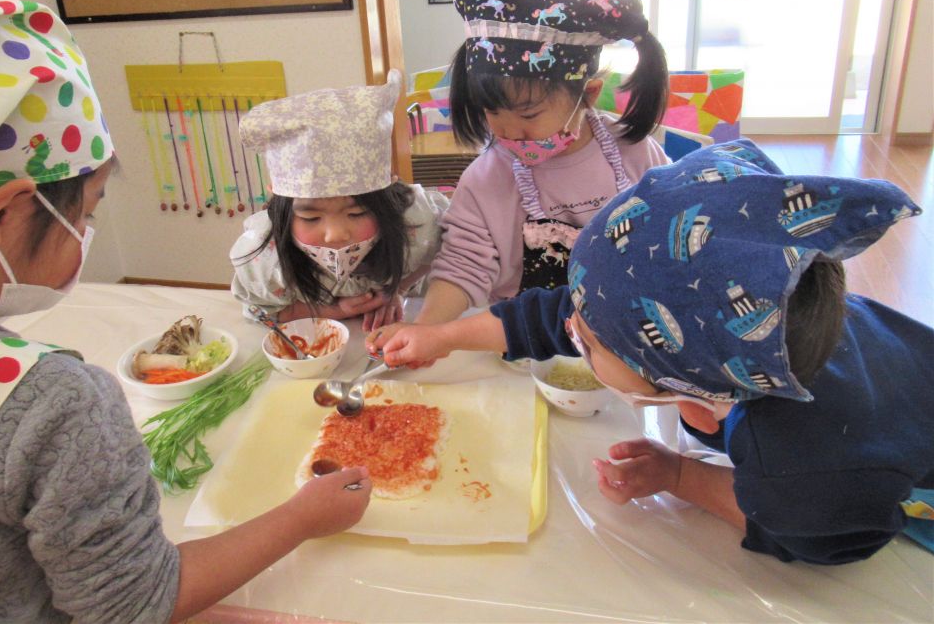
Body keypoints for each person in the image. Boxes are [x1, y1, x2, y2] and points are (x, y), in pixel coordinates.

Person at [0, 0, 371, 623]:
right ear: (3, 215)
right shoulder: (55, 401)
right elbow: (137, 603)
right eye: (86, 211)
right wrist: (305, 516)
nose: (87, 229)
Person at [369, 139, 934, 564]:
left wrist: (684, 478)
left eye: (586, 340)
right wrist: (441, 335)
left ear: (686, 388)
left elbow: (824, 536)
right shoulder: (770, 318)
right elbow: (555, 316)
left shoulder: (797, 470)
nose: (571, 324)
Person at [414, 0, 671, 328]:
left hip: (628, 332)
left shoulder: (635, 152)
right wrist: (425, 331)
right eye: (492, 112)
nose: (508, 131)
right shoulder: (486, 179)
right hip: (520, 340)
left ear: (589, 94)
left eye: (529, 114)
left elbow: (672, 232)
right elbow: (463, 266)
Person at [230, 70, 448, 332]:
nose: (336, 234)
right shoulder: (266, 256)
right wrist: (333, 310)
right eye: (311, 218)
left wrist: (395, 290)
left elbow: (441, 253)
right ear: (282, 210)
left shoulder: (415, 223)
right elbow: (260, 310)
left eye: (356, 213)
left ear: (387, 206)